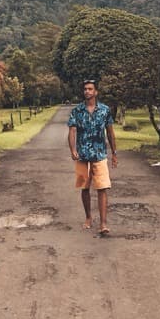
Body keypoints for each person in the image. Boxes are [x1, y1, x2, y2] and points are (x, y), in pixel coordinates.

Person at [68, 80, 117, 236]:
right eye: (85, 89)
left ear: (96, 92)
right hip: (82, 155)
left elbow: (110, 132)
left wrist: (114, 153)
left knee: (102, 187)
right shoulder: (77, 111)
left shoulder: (104, 110)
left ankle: (103, 223)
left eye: (90, 89)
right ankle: (88, 217)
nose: (87, 91)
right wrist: (73, 149)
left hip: (100, 155)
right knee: (84, 187)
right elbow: (72, 131)